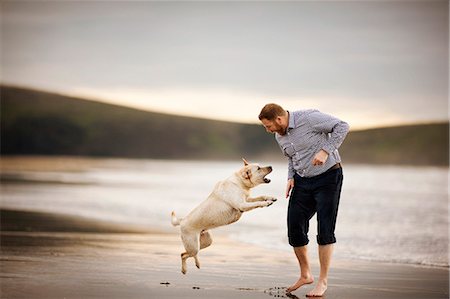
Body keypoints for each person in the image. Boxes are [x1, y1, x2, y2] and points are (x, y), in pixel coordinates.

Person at [258, 103, 349, 297]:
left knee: (325, 228)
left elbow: (342, 126)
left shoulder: (309, 118)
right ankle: (305, 274)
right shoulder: (279, 135)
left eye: (268, 126)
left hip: (328, 177)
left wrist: (325, 151)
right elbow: (291, 158)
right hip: (301, 181)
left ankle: (322, 281)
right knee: (294, 226)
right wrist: (290, 177)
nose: (268, 130)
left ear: (279, 119)